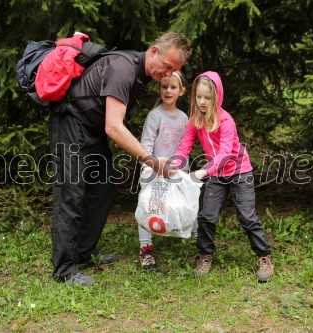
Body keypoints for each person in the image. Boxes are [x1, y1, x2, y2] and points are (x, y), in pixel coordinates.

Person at [48, 32, 191, 286]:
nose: (168, 74)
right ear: (154, 51)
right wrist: (151, 160)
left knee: (101, 188)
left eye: (175, 71)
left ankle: (83, 252)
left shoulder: (140, 74)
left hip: (90, 128)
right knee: (70, 193)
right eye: (168, 66)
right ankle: (65, 269)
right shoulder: (124, 69)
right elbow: (114, 127)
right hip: (70, 122)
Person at [173, 71, 274, 282]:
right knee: (207, 216)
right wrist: (174, 164)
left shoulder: (226, 121)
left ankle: (264, 257)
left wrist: (202, 172)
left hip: (239, 172)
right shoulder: (195, 121)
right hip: (216, 175)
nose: (202, 102)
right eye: (198, 97)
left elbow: (226, 154)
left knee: (247, 216)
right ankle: (205, 255)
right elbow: (184, 147)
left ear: (216, 97)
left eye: (207, 98)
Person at [137, 70, 190, 271]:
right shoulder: (154, 116)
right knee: (148, 207)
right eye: (164, 86)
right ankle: (146, 247)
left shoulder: (184, 117)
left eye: (173, 87)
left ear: (181, 91)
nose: (168, 91)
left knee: (177, 204)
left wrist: (183, 169)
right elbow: (145, 146)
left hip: (176, 172)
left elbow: (184, 146)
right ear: (159, 89)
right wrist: (151, 168)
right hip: (154, 171)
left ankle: (190, 236)